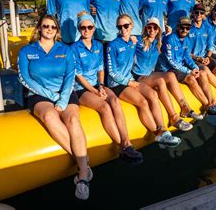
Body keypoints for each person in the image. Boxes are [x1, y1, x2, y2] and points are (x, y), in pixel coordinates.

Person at [18, 14, 91, 200]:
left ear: (57, 30)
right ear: (39, 28)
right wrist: (51, 96)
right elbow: (24, 78)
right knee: (50, 117)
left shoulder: (65, 50)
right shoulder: (27, 51)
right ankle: (82, 164)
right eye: (45, 26)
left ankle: (82, 177)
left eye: (53, 27)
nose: (49, 29)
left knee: (73, 119)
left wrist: (63, 99)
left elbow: (70, 76)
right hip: (39, 95)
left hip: (65, 93)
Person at [72, 11, 143, 164]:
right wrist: (95, 91)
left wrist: (102, 85)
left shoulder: (98, 45)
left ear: (93, 28)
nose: (86, 30)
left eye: (89, 27)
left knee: (115, 102)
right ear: (79, 29)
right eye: (83, 28)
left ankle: (127, 142)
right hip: (81, 88)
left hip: (98, 84)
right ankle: (123, 146)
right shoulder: (74, 48)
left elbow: (100, 68)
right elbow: (78, 75)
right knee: (104, 107)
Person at [106, 13, 181, 146]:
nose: (123, 29)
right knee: (142, 102)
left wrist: (168, 32)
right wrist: (128, 82)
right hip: (117, 84)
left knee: (153, 94)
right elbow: (111, 72)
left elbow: (153, 38)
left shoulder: (132, 42)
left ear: (132, 26)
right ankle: (157, 134)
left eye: (126, 26)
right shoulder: (112, 45)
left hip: (129, 79)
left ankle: (163, 129)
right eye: (120, 27)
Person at [133, 17, 201, 132]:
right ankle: (174, 117)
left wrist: (195, 66)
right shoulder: (138, 41)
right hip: (137, 76)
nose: (152, 30)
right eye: (149, 27)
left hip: (149, 73)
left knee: (170, 75)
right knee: (160, 81)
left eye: (155, 27)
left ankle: (185, 108)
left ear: (158, 30)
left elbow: (169, 39)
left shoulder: (158, 41)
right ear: (145, 28)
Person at [158, 16, 216, 114]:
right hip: (168, 68)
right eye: (182, 27)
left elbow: (187, 57)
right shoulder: (170, 39)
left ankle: (212, 101)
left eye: (187, 28)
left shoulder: (186, 40)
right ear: (178, 27)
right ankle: (207, 105)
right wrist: (189, 71)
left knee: (202, 73)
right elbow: (171, 62)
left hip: (179, 65)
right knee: (191, 79)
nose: (184, 30)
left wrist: (194, 67)